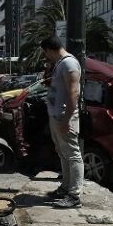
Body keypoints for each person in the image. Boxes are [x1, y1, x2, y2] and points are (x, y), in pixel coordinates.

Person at [40, 36, 83, 209]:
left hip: (65, 117)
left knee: (72, 154)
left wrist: (66, 120)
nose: (46, 56)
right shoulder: (60, 64)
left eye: (45, 53)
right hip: (57, 116)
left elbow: (74, 94)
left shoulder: (69, 64)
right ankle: (66, 187)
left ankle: (74, 195)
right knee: (62, 152)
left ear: (49, 50)